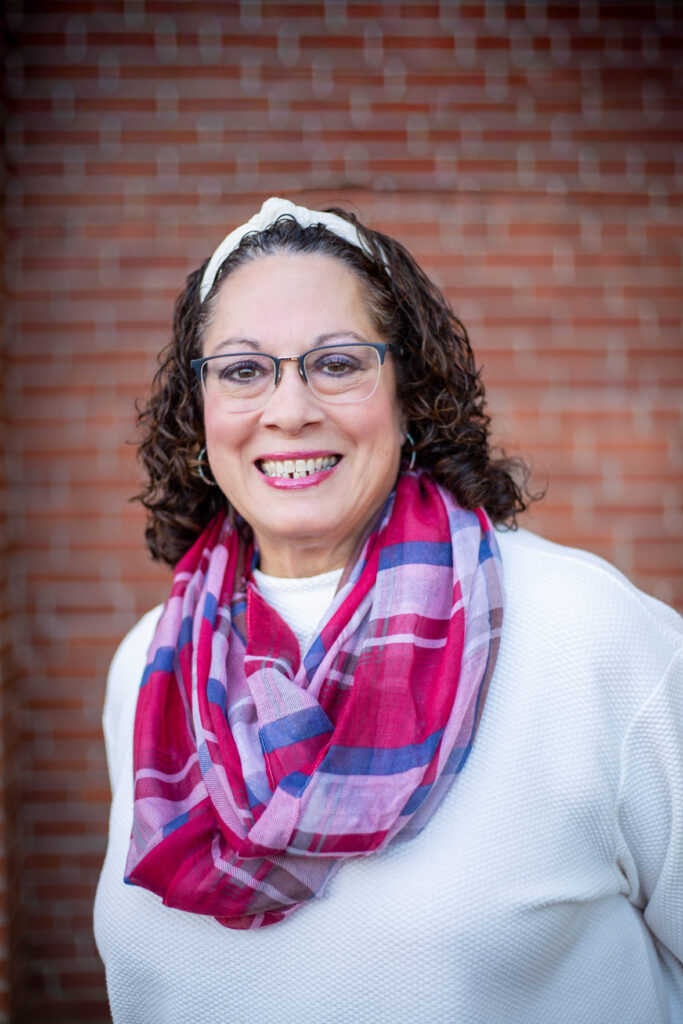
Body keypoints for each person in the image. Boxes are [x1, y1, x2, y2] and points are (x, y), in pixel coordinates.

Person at [94, 197, 683, 1024]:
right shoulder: (147, 669)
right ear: (200, 414)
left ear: (409, 395)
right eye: (241, 370)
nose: (289, 409)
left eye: (337, 364)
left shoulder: (585, 633)